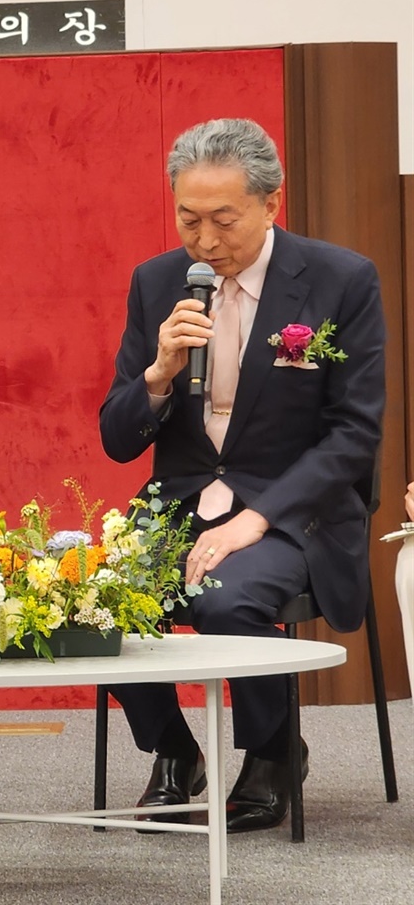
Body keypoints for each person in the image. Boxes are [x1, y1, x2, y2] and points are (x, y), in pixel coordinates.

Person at [99, 118, 385, 833]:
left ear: (271, 203)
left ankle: (273, 753)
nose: (205, 241)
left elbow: (353, 435)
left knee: (227, 600)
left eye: (223, 220)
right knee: (90, 598)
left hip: (294, 507)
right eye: (188, 219)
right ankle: (174, 753)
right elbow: (116, 436)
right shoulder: (159, 282)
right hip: (182, 500)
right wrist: (159, 375)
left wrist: (256, 520)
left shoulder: (340, 280)